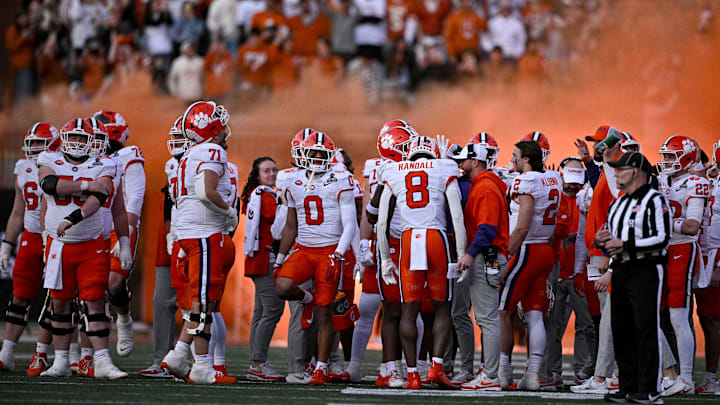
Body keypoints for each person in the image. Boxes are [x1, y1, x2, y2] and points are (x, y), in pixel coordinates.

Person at [37, 118, 127, 379]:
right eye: (72, 137)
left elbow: (100, 197)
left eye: (81, 138)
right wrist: (86, 185)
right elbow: (49, 185)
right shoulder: (49, 158)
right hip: (58, 245)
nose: (76, 143)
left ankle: (102, 361)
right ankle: (62, 361)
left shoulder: (104, 163)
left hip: (90, 244)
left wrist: (73, 217)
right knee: (60, 304)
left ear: (91, 142)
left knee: (95, 303)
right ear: (64, 139)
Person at [377, 135, 466, 390]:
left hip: (408, 238)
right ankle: (436, 367)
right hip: (436, 238)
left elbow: (382, 224)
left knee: (409, 310)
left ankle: (413, 374)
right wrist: (460, 255)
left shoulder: (393, 170)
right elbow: (456, 216)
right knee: (441, 308)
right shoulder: (444, 167)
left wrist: (384, 259)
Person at [161, 101, 237, 384]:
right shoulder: (212, 150)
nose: (225, 128)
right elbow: (207, 192)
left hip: (191, 233)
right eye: (219, 122)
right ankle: (202, 366)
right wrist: (229, 213)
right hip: (205, 233)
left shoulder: (188, 154)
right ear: (212, 127)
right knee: (204, 303)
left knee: (200, 300)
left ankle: (179, 354)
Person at [274, 131, 359, 386]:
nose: (318, 158)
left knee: (326, 313)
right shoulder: (291, 180)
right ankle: (306, 299)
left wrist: (339, 254)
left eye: (323, 154)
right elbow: (290, 226)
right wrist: (280, 258)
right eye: (314, 153)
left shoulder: (340, 178)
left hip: (329, 251)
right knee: (282, 285)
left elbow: (350, 224)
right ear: (302, 153)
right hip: (304, 249)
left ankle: (321, 367)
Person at [595, 151, 670, 404]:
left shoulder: (655, 199)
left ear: (635, 171)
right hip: (622, 269)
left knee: (645, 328)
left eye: (620, 169)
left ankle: (650, 389)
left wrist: (625, 244)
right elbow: (611, 239)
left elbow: (662, 237)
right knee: (622, 328)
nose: (615, 173)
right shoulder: (618, 204)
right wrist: (601, 242)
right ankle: (628, 386)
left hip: (646, 268)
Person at [498, 140, 561, 390]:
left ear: (526, 159)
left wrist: (503, 255)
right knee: (535, 315)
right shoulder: (553, 177)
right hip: (544, 249)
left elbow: (522, 226)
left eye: (515, 155)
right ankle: (533, 375)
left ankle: (502, 372)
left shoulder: (526, 181)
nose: (511, 158)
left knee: (503, 311)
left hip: (526, 250)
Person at [0, 123, 61, 373]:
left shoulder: (63, 166)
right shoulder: (23, 169)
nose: (34, 148)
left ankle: (41, 353)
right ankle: (7, 353)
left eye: (40, 143)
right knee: (19, 296)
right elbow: (17, 212)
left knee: (55, 298)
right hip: (31, 236)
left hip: (57, 237)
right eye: (32, 143)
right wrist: (7, 244)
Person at [451, 143, 508, 392]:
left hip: (487, 255)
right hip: (490, 255)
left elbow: (487, 229)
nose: (460, 164)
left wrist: (470, 255)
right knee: (487, 318)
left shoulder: (484, 186)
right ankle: (490, 373)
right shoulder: (486, 184)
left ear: (475, 162)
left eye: (463, 160)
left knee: (487, 319)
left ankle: (491, 375)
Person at [657, 135, 708, 393]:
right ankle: (667, 374)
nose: (665, 161)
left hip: (681, 251)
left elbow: (691, 226)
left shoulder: (695, 182)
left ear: (687, 157)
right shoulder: (660, 180)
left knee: (678, 317)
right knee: (654, 314)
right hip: (660, 250)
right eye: (665, 156)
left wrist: (662, 223)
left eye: (670, 156)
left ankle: (686, 379)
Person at [93, 110, 146, 358]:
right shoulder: (89, 158)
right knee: (91, 288)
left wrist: (128, 234)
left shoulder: (129, 155)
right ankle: (84, 352)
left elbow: (134, 197)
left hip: (120, 226)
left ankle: (123, 319)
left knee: (114, 283)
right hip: (94, 224)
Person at [139, 117, 187, 378]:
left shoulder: (210, 162)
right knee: (162, 301)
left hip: (195, 238)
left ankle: (211, 360)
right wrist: (169, 231)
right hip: (169, 238)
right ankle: (161, 359)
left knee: (202, 303)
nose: (178, 144)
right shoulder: (172, 165)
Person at [241, 157, 286, 381]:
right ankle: (258, 364)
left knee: (260, 312)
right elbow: (278, 226)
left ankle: (256, 362)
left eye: (274, 170)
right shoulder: (266, 196)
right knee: (273, 310)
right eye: (267, 170)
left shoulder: (256, 194)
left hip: (258, 257)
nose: (272, 174)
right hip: (265, 257)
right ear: (257, 175)